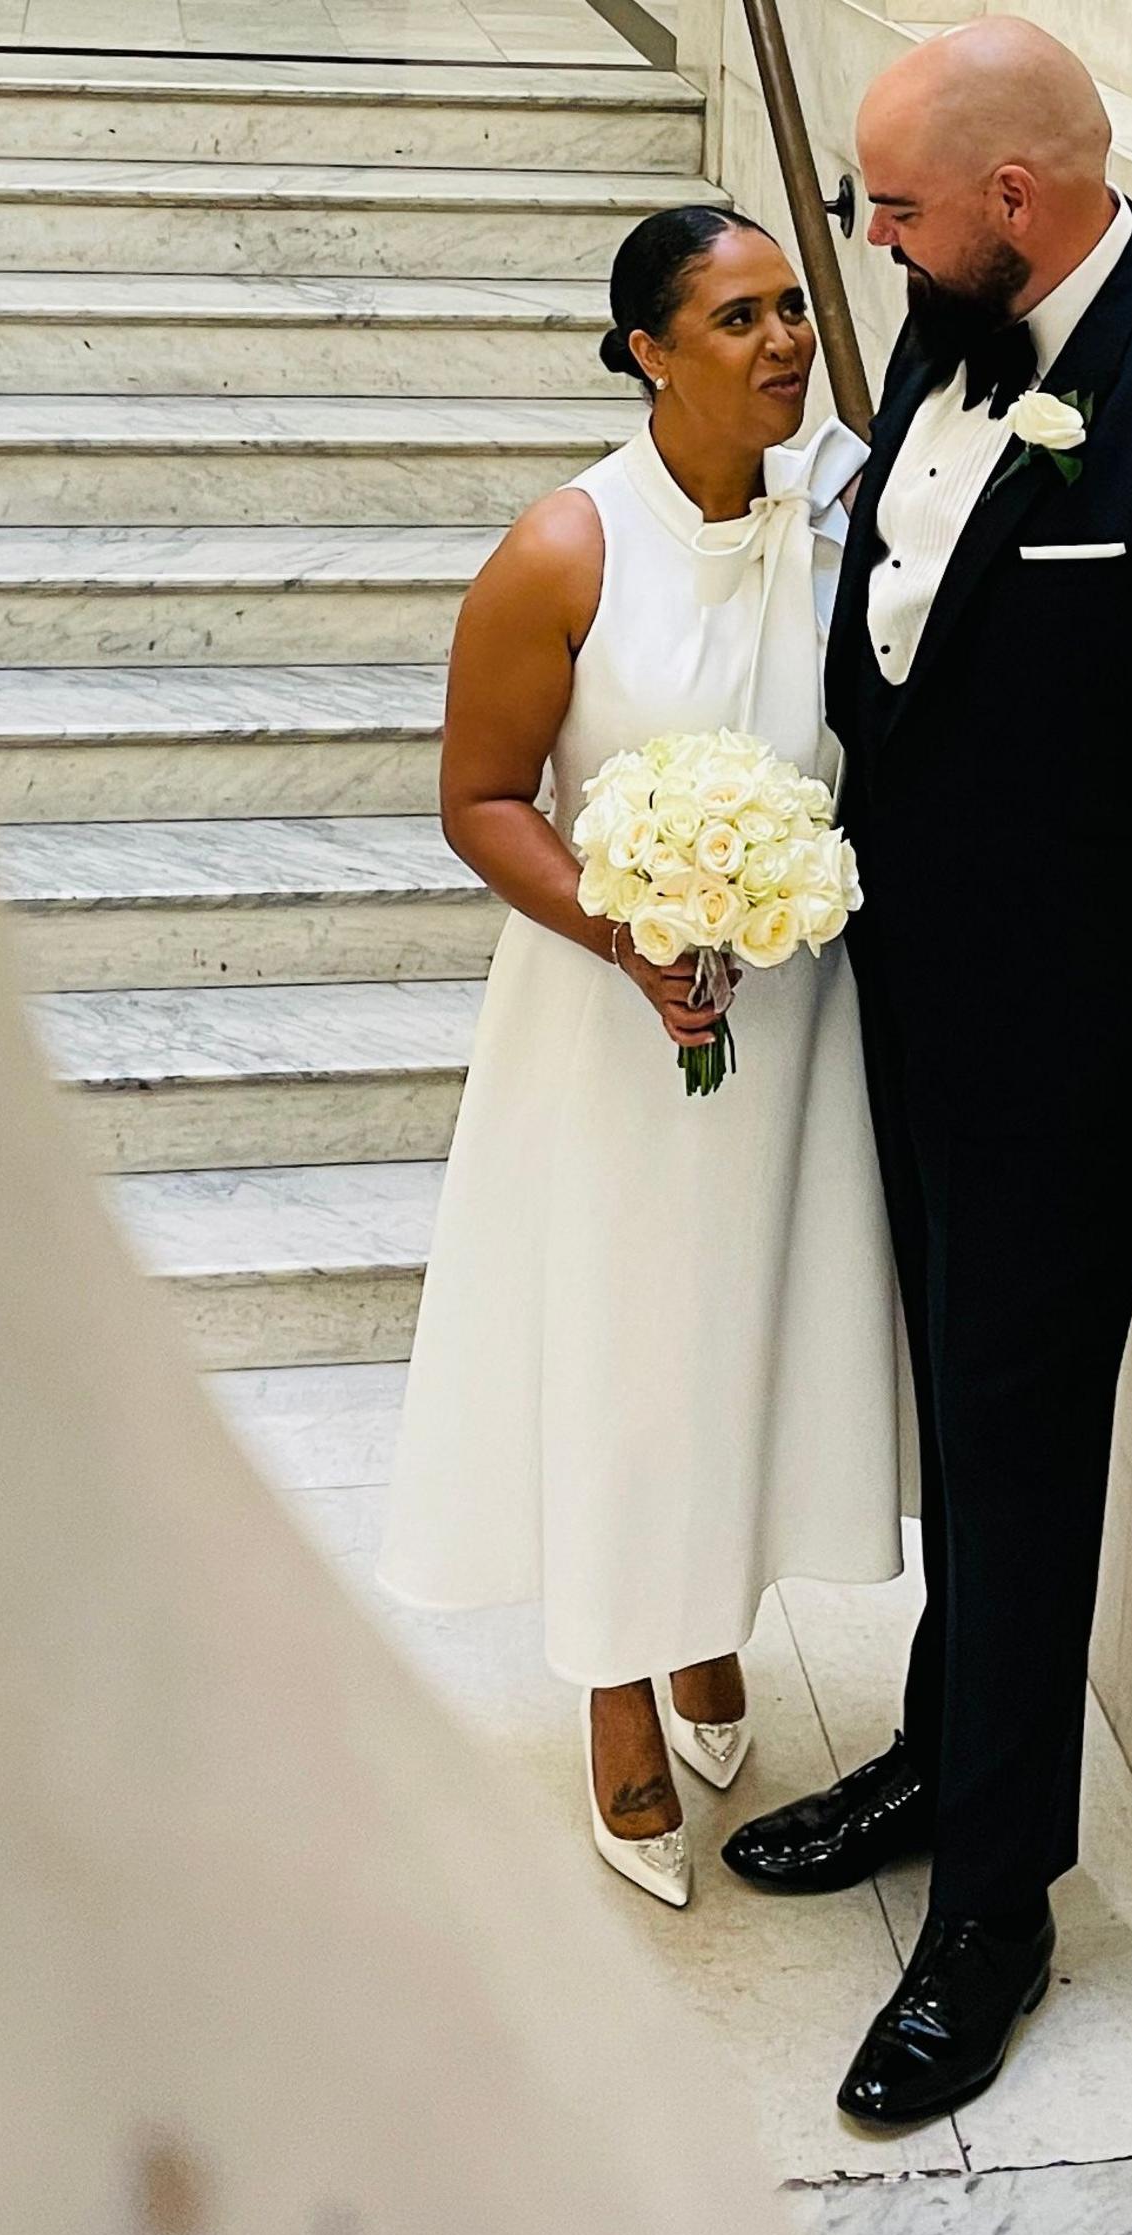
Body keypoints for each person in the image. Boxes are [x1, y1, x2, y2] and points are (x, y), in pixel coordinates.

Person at [720, 18, 1132, 2125]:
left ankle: (998, 1910)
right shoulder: (950, 310)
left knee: (1022, 1449)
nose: (866, 246)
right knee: (959, 1425)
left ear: (1022, 197)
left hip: (1079, 1058)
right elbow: (906, 609)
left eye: (893, 209)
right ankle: (943, 1742)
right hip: (910, 990)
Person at [381, 207, 904, 1911]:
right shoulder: (564, 550)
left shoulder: (842, 523)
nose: (784, 342)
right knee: (620, 1346)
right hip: (613, 1035)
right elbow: (479, 798)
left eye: (791, 312)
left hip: (792, 1030)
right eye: (739, 317)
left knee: (745, 1327)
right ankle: (616, 1681)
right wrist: (633, 939)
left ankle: (708, 1630)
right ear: (647, 351)